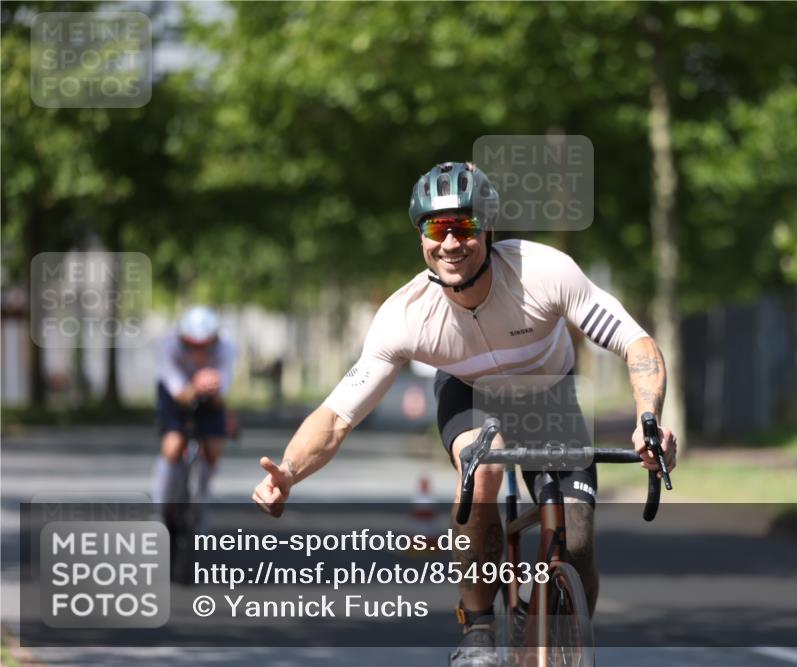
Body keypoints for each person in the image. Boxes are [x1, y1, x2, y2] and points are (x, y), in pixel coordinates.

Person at [252, 162, 676, 666]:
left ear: (488, 228)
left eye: (464, 226)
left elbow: (635, 342)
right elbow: (338, 415)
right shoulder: (404, 317)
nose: (451, 243)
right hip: (471, 396)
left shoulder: (544, 272)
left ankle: (565, 640)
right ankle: (477, 627)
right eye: (436, 228)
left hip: (551, 396)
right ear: (421, 236)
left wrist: (648, 418)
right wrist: (290, 471)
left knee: (577, 543)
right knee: (484, 469)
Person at [151, 305, 237, 510]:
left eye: (205, 346)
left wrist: (214, 391)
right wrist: (196, 385)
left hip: (209, 393)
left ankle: (201, 499)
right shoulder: (167, 345)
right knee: (173, 445)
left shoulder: (227, 348)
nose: (199, 352)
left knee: (214, 448)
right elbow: (178, 392)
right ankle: (160, 506)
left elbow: (220, 397)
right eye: (192, 345)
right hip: (175, 393)